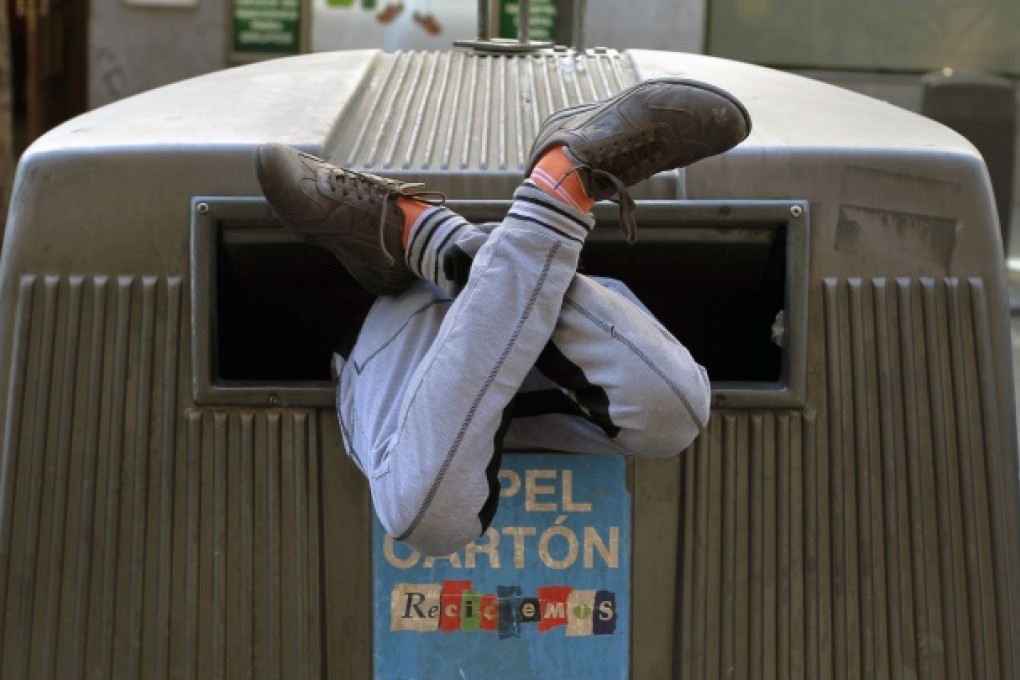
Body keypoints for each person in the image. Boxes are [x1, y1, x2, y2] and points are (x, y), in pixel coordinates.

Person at [255, 78, 752, 556]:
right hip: (411, 341)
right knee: (430, 517)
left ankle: (432, 236)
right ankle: (550, 191)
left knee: (675, 412)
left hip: (555, 351)